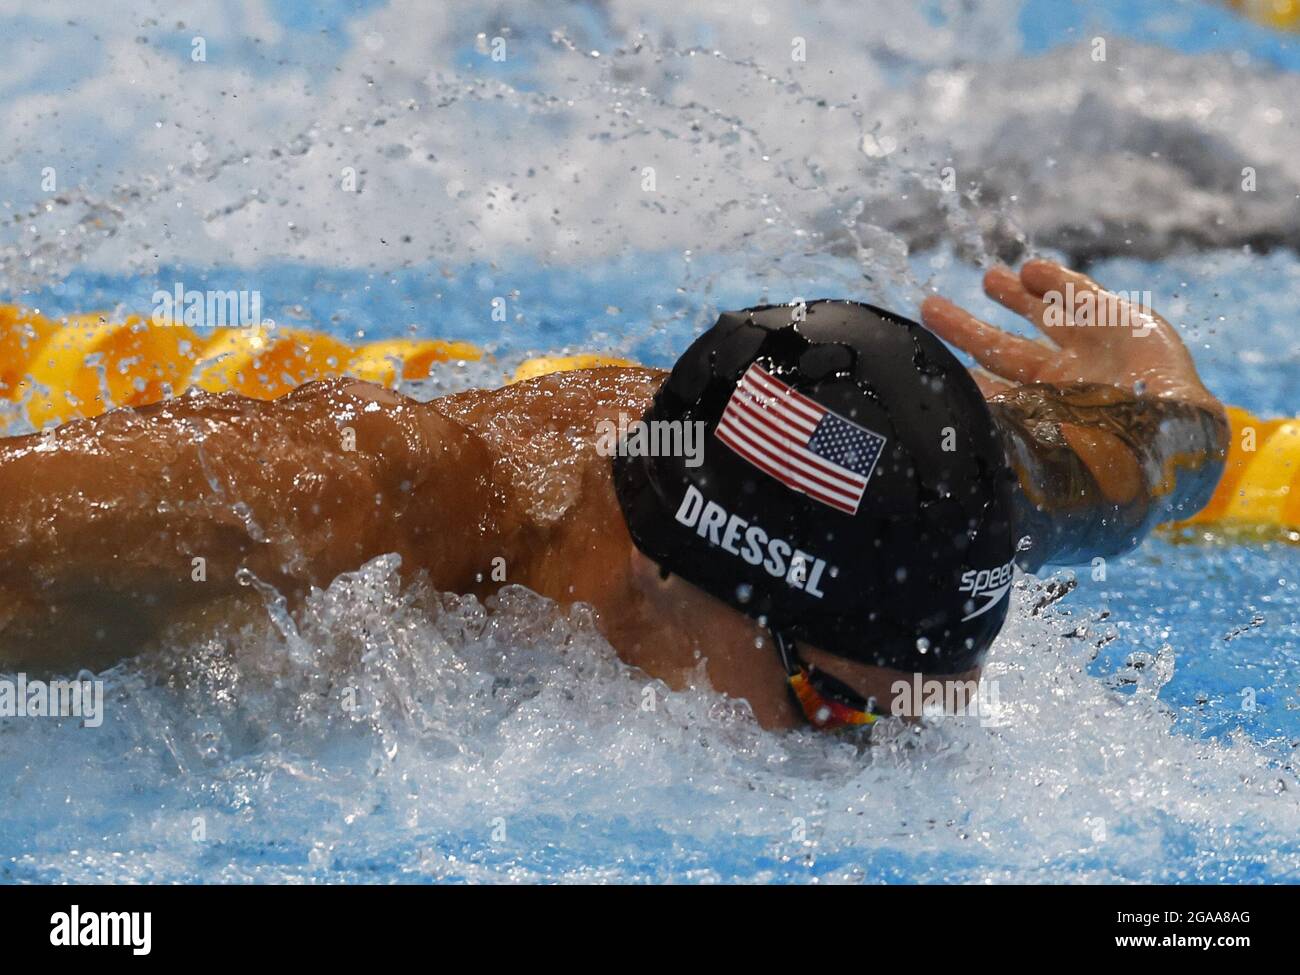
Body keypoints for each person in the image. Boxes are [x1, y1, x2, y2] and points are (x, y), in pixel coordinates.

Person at [0, 260, 1227, 730]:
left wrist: (1175, 422)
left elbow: (1145, 456)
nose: (889, 759)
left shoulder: (926, 504)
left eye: (930, 716)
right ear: (668, 569)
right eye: (835, 709)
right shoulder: (324, 516)